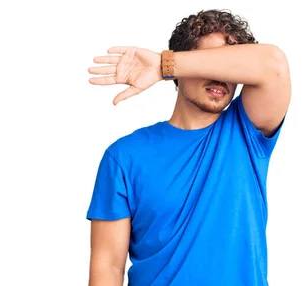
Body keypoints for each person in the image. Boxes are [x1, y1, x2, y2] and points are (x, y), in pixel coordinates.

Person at [85, 9, 291, 286]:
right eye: (209, 65)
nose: (221, 78)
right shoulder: (124, 156)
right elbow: (107, 268)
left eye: (228, 67)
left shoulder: (247, 131)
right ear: (181, 73)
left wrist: (163, 64)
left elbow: (273, 64)